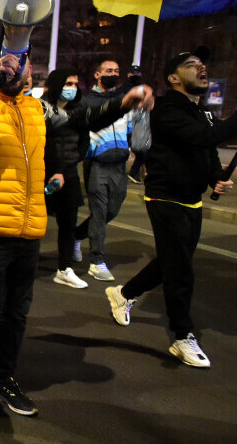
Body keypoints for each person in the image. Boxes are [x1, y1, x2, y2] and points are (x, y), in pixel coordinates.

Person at [0, 51, 152, 416]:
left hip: (30, 224)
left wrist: (123, 103)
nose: (18, 70)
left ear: (31, 70)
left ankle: (3, 380)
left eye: (23, 64)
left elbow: (80, 119)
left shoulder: (38, 109)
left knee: (18, 311)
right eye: (8, 63)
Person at [106, 46, 235, 368]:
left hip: (192, 200)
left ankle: (123, 293)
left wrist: (216, 177)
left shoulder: (201, 111)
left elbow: (206, 150)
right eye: (192, 65)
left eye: (203, 64)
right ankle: (182, 336)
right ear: (174, 78)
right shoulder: (165, 109)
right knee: (181, 271)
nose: (201, 68)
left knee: (172, 261)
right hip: (165, 198)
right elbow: (200, 137)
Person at [41, 69, 152, 289]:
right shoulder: (40, 109)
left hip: (68, 175)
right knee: (33, 224)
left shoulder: (79, 110)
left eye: (74, 83)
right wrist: (52, 170)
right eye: (67, 83)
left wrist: (124, 103)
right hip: (42, 174)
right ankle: (21, 266)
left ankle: (64, 268)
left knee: (68, 224)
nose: (72, 88)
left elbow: (94, 122)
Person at [74, 59, 132, 281]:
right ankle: (97, 261)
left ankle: (77, 235)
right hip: (97, 163)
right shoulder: (87, 100)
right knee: (99, 211)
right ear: (97, 75)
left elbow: (128, 128)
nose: (114, 74)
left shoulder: (123, 100)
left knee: (112, 210)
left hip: (120, 164)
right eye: (109, 70)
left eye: (117, 70)